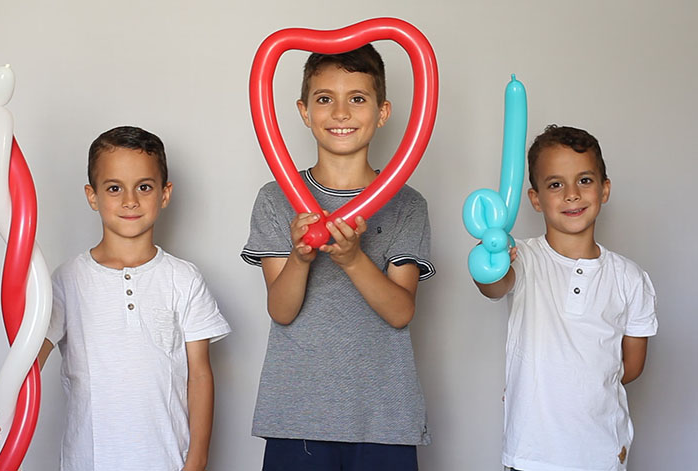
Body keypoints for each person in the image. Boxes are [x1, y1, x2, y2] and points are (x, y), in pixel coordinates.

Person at [0, 126, 231, 471]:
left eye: (144, 187)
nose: (130, 200)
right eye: (114, 188)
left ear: (165, 194)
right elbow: (30, 359)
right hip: (89, 461)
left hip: (167, 461)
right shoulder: (67, 280)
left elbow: (199, 375)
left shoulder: (184, 279)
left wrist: (197, 459)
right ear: (92, 196)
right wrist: (0, 399)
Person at [241, 44, 435, 471]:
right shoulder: (275, 199)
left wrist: (352, 259)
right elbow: (281, 310)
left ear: (382, 112)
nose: (341, 112)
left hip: (384, 421)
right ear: (304, 111)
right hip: (297, 418)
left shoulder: (407, 204)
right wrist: (300, 257)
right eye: (325, 98)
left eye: (358, 98)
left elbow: (401, 312)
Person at [475, 125, 658, 471]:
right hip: (531, 455)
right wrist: (490, 262)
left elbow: (631, 367)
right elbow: (493, 286)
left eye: (584, 180)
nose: (572, 194)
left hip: (602, 455)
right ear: (535, 198)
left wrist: (579, 387)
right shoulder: (522, 258)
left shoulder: (629, 278)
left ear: (604, 189)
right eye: (555, 184)